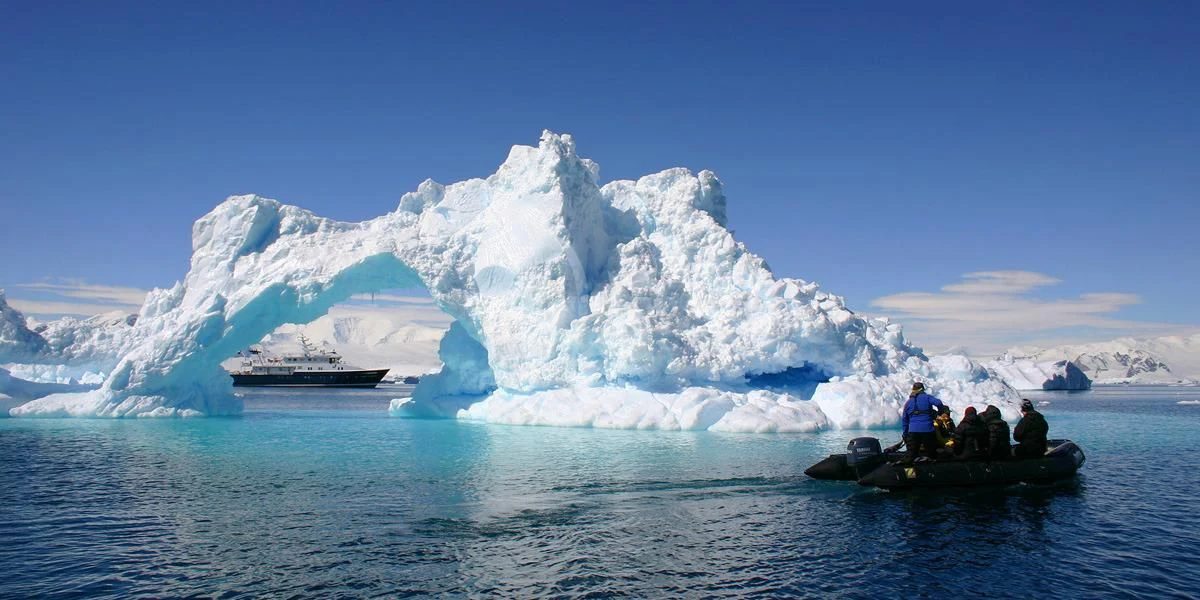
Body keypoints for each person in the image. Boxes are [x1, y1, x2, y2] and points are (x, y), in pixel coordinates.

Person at [902, 382, 946, 461]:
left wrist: (905, 434)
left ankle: (909, 471)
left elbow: (905, 420)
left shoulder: (908, 403)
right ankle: (932, 470)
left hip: (913, 431)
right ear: (922, 389)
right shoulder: (927, 397)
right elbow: (938, 403)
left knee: (911, 455)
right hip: (927, 430)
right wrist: (940, 412)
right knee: (931, 454)